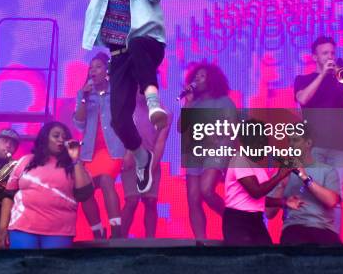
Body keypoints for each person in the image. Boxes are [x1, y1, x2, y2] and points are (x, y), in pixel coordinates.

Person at [39, 0, 169, 194]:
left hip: (149, 45)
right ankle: (141, 157)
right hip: (120, 56)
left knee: (135, 40)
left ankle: (152, 104)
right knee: (119, 119)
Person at [294, 36, 343, 231]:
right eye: (325, 53)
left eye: (332, 53)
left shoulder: (341, 79)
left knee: (336, 194)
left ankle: (334, 239)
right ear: (315, 57)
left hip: (339, 147)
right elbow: (303, 99)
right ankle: (314, 236)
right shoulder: (302, 79)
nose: (330, 56)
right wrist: (322, 75)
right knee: (312, 190)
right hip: (313, 146)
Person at [0, 122, 93, 249]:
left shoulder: (74, 166)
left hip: (59, 233)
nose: (61, 139)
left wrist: (75, 159)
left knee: (53, 269)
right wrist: (3, 227)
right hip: (22, 229)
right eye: (56, 136)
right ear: (45, 138)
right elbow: (8, 195)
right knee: (22, 268)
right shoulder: (26, 161)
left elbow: (84, 193)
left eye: (64, 137)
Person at [178, 62, 237, 239]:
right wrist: (187, 104)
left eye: (202, 76)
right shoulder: (193, 103)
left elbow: (231, 128)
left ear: (212, 80)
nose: (197, 78)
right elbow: (181, 127)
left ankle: (234, 221)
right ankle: (200, 241)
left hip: (217, 150)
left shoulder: (223, 101)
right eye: (196, 76)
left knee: (206, 190)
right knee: (193, 200)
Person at [223, 120, 301, 246]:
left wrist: (284, 202)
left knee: (267, 259)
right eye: (260, 142)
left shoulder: (255, 165)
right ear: (247, 142)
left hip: (255, 219)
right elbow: (256, 192)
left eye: (264, 141)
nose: (264, 145)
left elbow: (256, 200)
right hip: (238, 221)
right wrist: (280, 176)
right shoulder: (239, 160)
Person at [73, 52, 125, 239]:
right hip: (89, 153)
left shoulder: (118, 91)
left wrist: (130, 151)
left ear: (107, 70)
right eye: (91, 67)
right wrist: (85, 98)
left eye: (98, 66)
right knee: (84, 190)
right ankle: (98, 232)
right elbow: (79, 124)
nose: (93, 70)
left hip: (113, 151)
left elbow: (127, 121)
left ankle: (116, 230)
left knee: (105, 180)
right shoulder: (84, 94)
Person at [266, 128, 342, 245]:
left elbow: (331, 201)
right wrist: (281, 185)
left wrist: (305, 177)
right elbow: (269, 214)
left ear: (308, 143)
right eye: (289, 141)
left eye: (295, 140)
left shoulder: (327, 170)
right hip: (294, 228)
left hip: (323, 229)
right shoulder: (282, 172)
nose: (291, 145)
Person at [121, 91, 171, 238]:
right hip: (130, 157)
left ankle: (150, 241)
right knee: (132, 200)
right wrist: (129, 154)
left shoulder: (164, 113)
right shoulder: (127, 108)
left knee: (150, 201)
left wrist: (150, 168)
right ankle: (119, 240)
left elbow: (160, 143)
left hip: (151, 159)